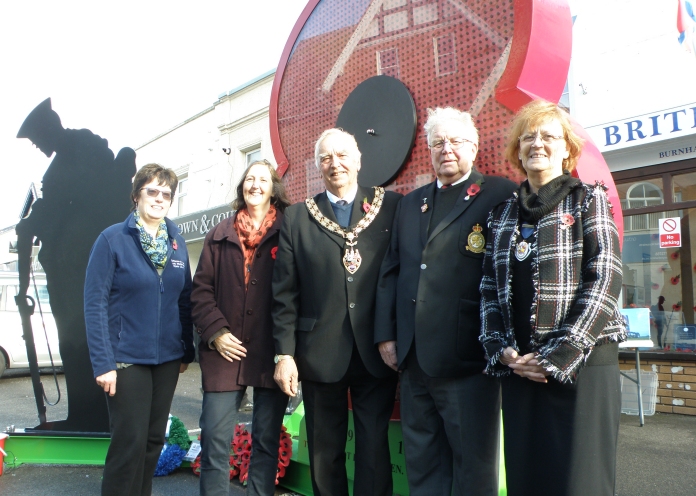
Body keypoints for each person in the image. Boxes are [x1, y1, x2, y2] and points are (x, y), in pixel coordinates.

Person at [479, 100, 626, 496]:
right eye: (528, 137)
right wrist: (503, 350)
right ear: (517, 150)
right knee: (529, 479)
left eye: (548, 136)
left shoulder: (589, 200)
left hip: (582, 364)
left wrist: (558, 356)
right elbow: (489, 291)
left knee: (581, 482)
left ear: (567, 149)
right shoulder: (502, 214)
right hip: (522, 367)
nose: (537, 144)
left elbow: (605, 281)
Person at [374, 107, 517, 495]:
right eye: (438, 143)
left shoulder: (500, 194)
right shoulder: (410, 203)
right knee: (423, 463)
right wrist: (386, 335)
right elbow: (391, 272)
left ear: (473, 146)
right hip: (414, 359)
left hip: (468, 358)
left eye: (455, 141)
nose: (446, 149)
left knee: (473, 466)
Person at [272, 128, 401, 496]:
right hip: (318, 351)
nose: (335, 164)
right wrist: (285, 354)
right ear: (318, 166)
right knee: (324, 452)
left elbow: (401, 276)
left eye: (342, 155)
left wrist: (393, 333)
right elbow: (284, 295)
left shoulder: (389, 206)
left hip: (377, 350)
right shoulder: (299, 217)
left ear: (358, 160)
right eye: (326, 158)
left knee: (374, 449)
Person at [15, 98, 134, 432]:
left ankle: (92, 415)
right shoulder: (67, 159)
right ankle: (83, 414)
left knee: (82, 341)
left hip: (81, 267)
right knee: (72, 343)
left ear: (51, 126)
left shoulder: (81, 149)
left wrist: (37, 218)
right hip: (68, 267)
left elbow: (78, 201)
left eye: (38, 138)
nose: (38, 146)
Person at [84, 163, 195, 496]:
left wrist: (186, 349)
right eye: (152, 191)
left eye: (166, 193)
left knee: (151, 442)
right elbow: (94, 304)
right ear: (136, 196)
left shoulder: (177, 242)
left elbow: (185, 300)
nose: (159, 198)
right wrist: (103, 362)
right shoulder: (113, 239)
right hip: (125, 359)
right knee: (128, 443)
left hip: (167, 360)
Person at [191, 160, 291, 495]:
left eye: (263, 179)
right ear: (242, 187)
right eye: (250, 179)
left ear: (273, 187)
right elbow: (201, 291)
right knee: (216, 442)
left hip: (270, 351)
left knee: (265, 442)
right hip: (223, 353)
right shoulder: (219, 234)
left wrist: (289, 351)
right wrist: (216, 332)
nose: (255, 184)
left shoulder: (290, 230)